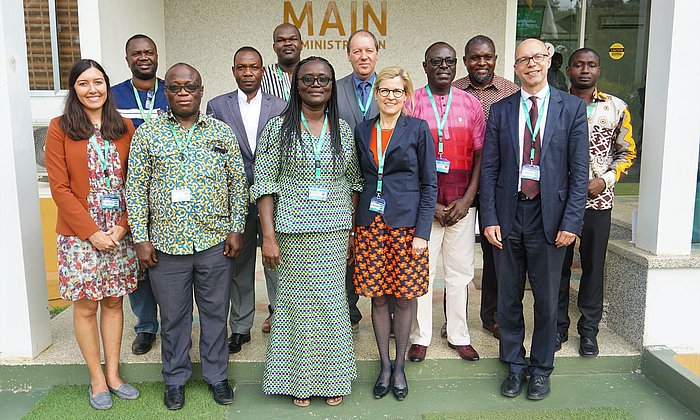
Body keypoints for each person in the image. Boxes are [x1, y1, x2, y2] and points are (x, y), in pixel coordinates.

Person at [126, 63, 248, 410]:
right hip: (165, 247)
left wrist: (236, 227)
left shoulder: (221, 133)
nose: (183, 92)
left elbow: (238, 185)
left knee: (214, 314)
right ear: (166, 92)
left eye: (190, 87)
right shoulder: (148, 134)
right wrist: (141, 238)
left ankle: (217, 376)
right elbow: (134, 190)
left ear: (201, 90)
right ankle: (175, 379)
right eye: (176, 87)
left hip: (214, 243)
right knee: (174, 317)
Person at [480, 38, 588, 400]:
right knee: (508, 297)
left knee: (547, 297)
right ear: (514, 67)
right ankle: (514, 364)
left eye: (537, 57)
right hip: (509, 216)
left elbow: (578, 171)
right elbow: (491, 169)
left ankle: (541, 369)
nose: (531, 64)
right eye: (523, 59)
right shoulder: (501, 110)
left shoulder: (571, 108)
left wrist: (571, 222)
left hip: (551, 217)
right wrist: (489, 218)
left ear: (548, 61)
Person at [251, 56, 360, 408]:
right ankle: (299, 379)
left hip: (333, 230)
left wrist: (352, 234)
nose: (317, 85)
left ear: (332, 85)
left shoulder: (343, 129)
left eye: (324, 79)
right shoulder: (277, 128)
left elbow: (354, 182)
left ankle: (333, 378)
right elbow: (264, 185)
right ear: (296, 84)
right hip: (291, 232)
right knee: (296, 306)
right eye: (309, 79)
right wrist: (268, 237)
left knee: (331, 305)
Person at [45, 59, 140, 410]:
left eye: (98, 82)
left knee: (114, 301)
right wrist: (91, 232)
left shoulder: (125, 127)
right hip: (79, 235)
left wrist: (122, 226)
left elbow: (138, 182)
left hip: (119, 232)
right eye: (83, 83)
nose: (92, 89)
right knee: (86, 305)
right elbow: (60, 189)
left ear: (107, 86)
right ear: (74, 89)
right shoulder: (59, 128)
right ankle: (96, 379)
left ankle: (114, 374)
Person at [354, 66, 437, 401]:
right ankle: (384, 366)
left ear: (407, 95)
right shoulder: (363, 130)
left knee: (404, 297)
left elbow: (430, 184)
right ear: (376, 93)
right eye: (384, 90)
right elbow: (358, 180)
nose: (390, 96)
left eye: (397, 91)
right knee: (377, 296)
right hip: (370, 226)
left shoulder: (418, 130)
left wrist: (423, 232)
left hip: (406, 228)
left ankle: (400, 367)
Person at [407, 42, 485, 363]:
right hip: (426, 209)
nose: (444, 66)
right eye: (436, 61)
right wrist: (431, 206)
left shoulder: (471, 104)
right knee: (421, 273)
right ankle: (420, 336)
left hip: (461, 207)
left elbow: (481, 156)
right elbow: (406, 158)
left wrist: (468, 199)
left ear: (457, 66)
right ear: (425, 65)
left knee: (460, 274)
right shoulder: (411, 103)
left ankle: (459, 335)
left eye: (450, 62)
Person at [206, 46, 287, 354]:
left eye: (254, 67)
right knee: (239, 264)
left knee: (276, 261)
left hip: (274, 196)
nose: (248, 72)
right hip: (234, 198)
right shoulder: (217, 106)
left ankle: (281, 320)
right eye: (242, 67)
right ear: (234, 71)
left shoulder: (280, 105)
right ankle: (240, 327)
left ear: (262, 70)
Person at [557, 47, 636, 356]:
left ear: (599, 70)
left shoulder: (616, 108)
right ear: (569, 70)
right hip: (560, 202)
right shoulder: (556, 105)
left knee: (592, 267)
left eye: (591, 65)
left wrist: (605, 180)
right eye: (578, 65)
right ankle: (558, 327)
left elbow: (626, 153)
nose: (585, 70)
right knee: (558, 268)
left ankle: (588, 331)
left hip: (598, 201)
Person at [453, 35, 519, 341]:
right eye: (475, 58)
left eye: (488, 57)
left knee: (496, 252)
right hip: (460, 185)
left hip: (498, 184)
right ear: (466, 61)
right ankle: (456, 320)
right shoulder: (453, 90)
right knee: (456, 257)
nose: (482, 63)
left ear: (495, 58)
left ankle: (491, 315)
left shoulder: (511, 91)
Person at [111, 33, 169, 356]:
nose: (143, 57)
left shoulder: (171, 90)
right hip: (127, 188)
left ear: (157, 56)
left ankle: (176, 321)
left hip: (168, 192)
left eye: (149, 52)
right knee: (138, 259)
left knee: (168, 261)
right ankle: (146, 326)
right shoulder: (114, 96)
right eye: (137, 53)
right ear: (128, 59)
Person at [336, 29, 381, 329]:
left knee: (379, 243)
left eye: (369, 51)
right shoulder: (334, 89)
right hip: (343, 180)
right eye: (357, 51)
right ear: (349, 55)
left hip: (381, 182)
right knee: (346, 244)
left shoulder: (390, 87)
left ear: (377, 53)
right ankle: (348, 308)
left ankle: (384, 308)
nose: (363, 56)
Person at [260, 23, 303, 102]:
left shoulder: (313, 73)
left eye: (293, 39)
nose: (287, 43)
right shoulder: (262, 75)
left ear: (301, 45)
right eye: (280, 40)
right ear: (274, 47)